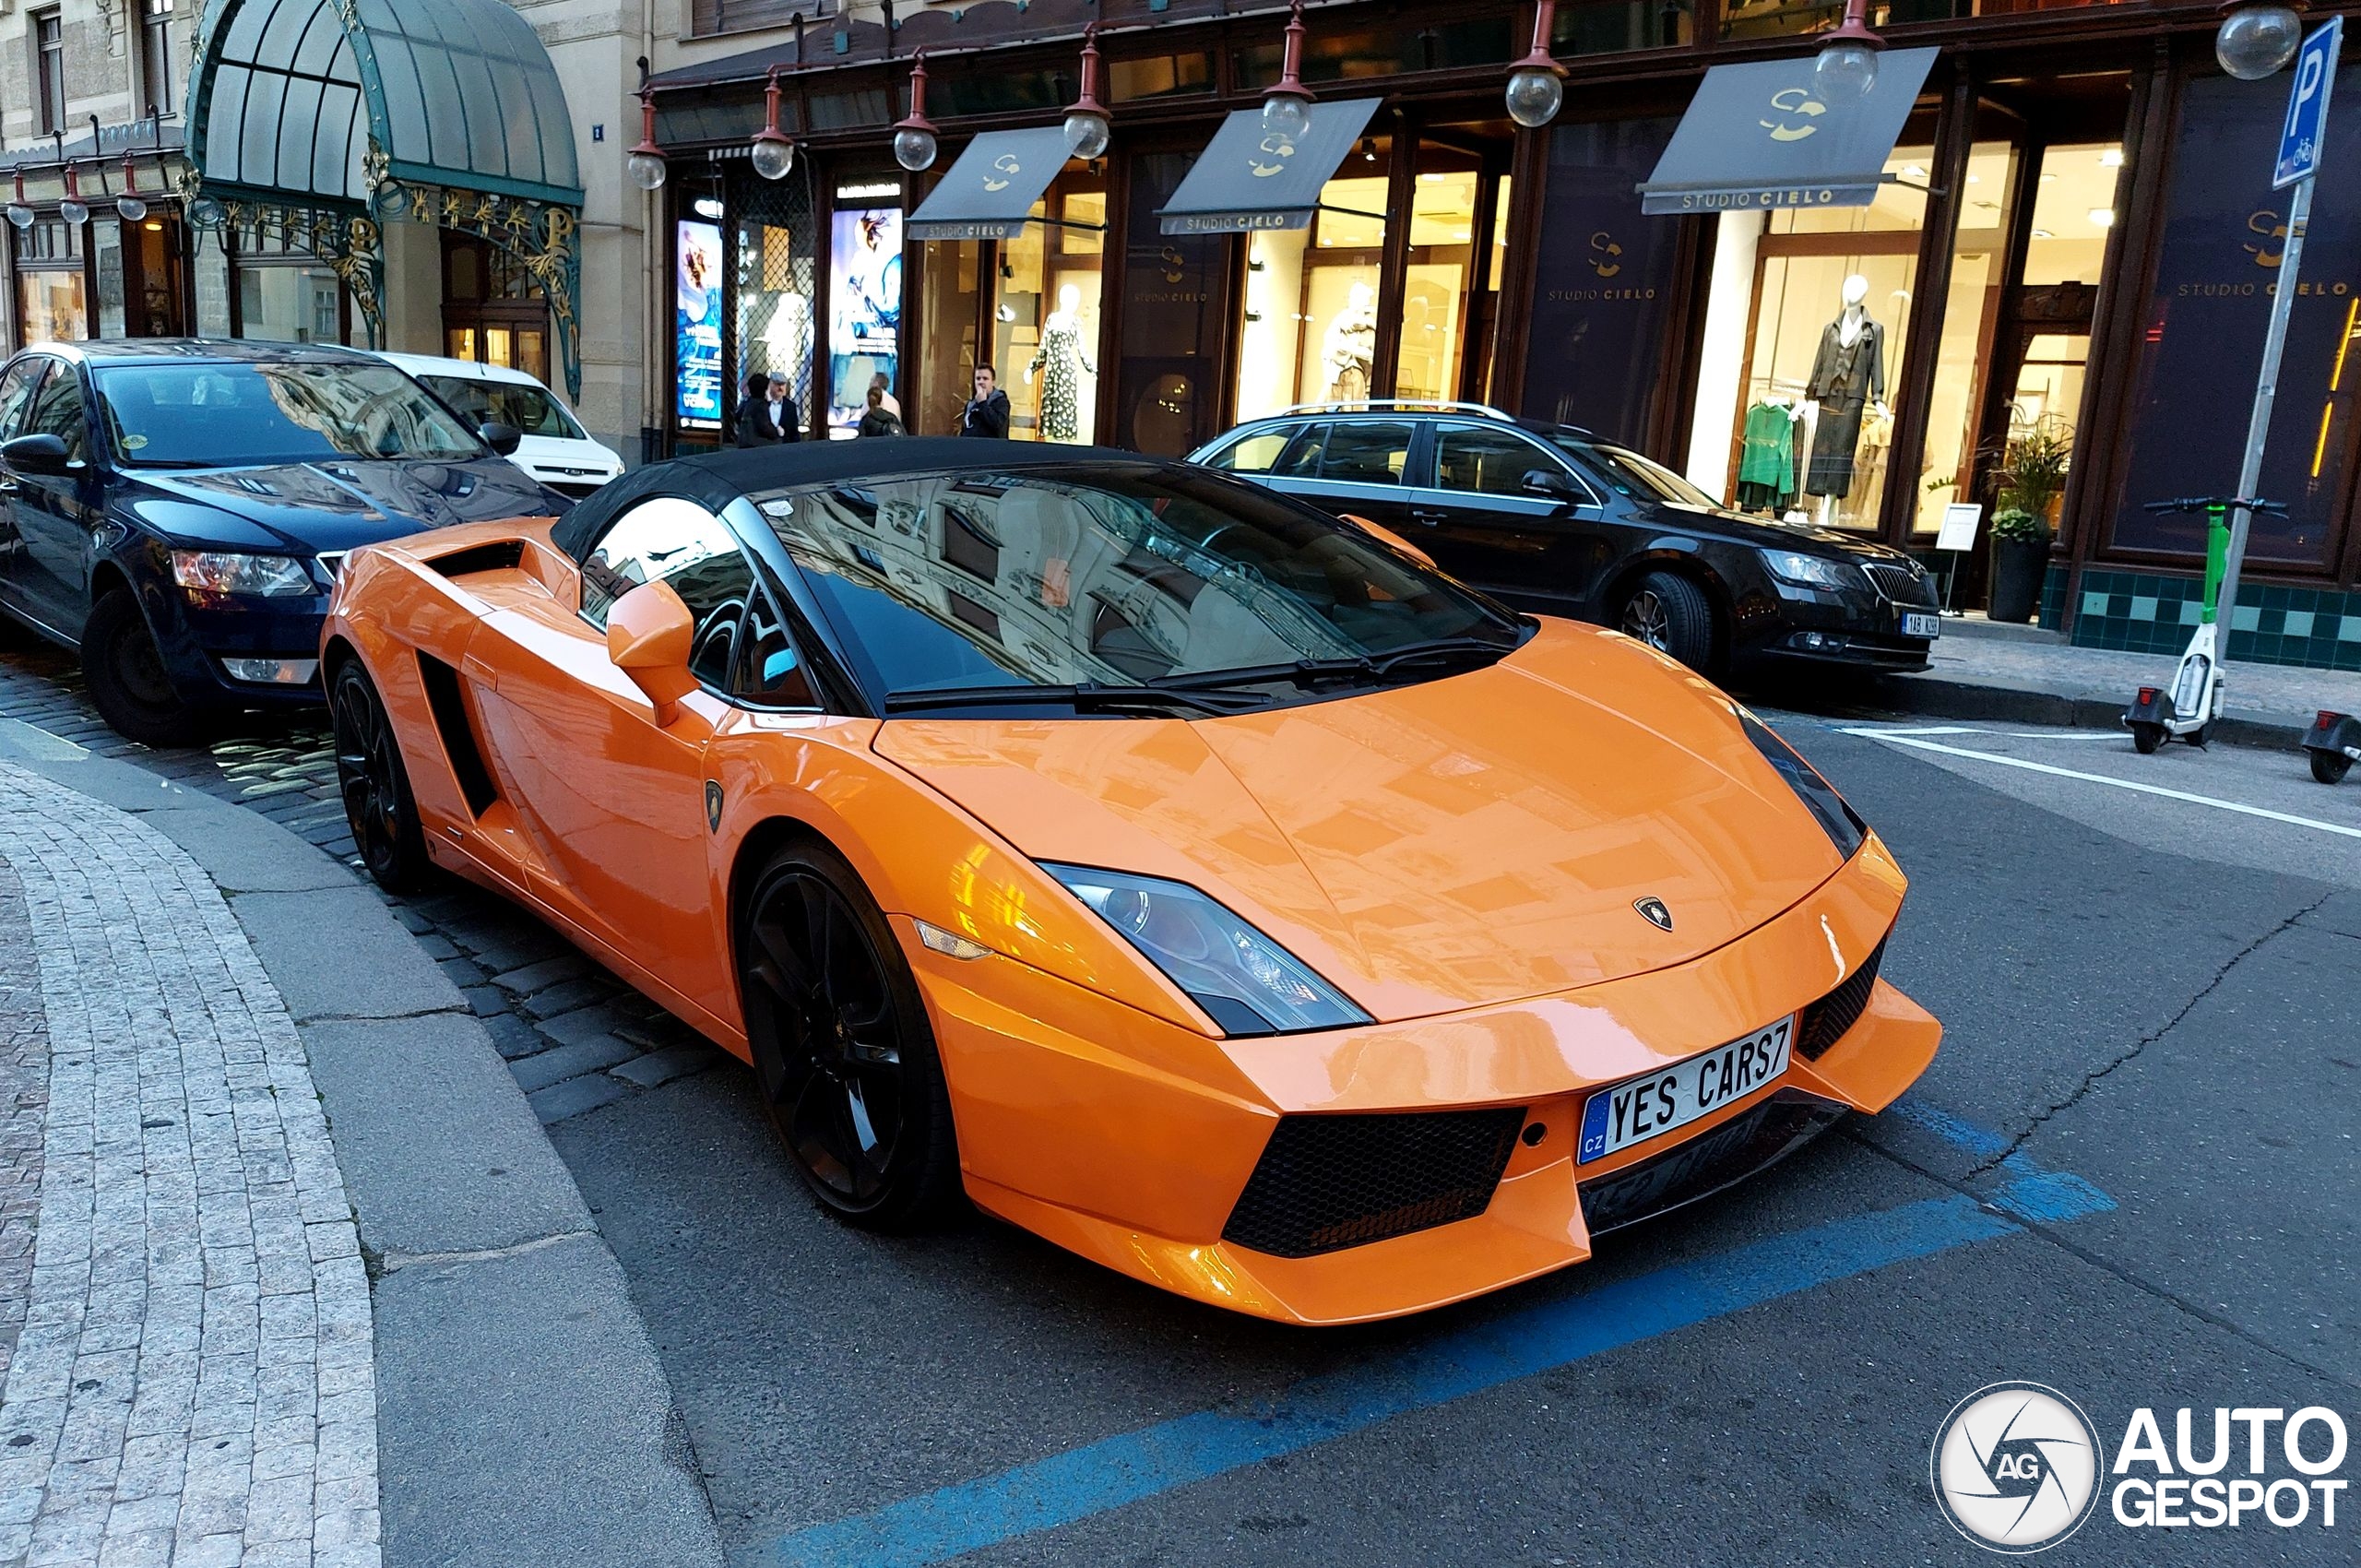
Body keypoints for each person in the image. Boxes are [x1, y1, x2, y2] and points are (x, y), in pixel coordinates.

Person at [961, 365, 1011, 439]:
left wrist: (982, 403)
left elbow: (999, 426)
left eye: (985, 379)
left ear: (993, 382)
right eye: (978, 379)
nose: (981, 382)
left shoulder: (1001, 402)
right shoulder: (971, 404)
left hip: (991, 448)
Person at [732, 372, 777, 448]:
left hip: (743, 441)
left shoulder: (746, 403)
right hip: (756, 445)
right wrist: (775, 433)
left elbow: (737, 416)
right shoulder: (761, 405)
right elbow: (764, 426)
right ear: (765, 390)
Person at [766, 373, 802, 443]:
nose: (780, 388)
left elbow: (794, 431)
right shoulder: (762, 404)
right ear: (770, 385)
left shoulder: (790, 406)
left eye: (783, 384)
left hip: (785, 447)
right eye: (777, 384)